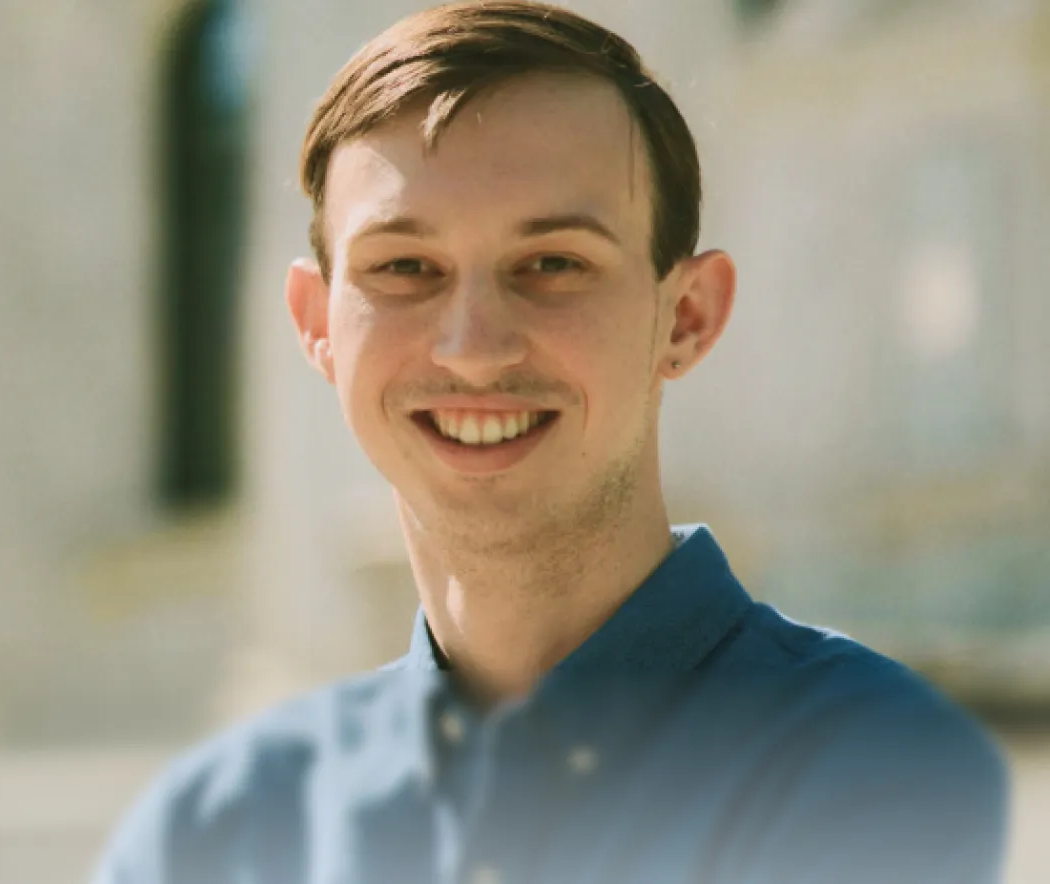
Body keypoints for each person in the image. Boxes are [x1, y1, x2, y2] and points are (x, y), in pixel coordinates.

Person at [93, 2, 1008, 882]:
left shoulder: (873, 769)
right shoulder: (211, 829)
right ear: (317, 324)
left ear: (686, 317)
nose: (473, 349)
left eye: (554, 264)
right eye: (404, 268)